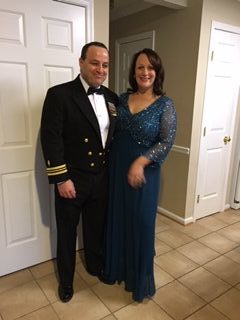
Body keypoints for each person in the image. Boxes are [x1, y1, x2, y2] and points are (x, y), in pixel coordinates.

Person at [40, 41, 118, 303]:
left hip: (101, 179)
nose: (100, 69)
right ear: (81, 62)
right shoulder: (59, 94)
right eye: (95, 63)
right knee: (67, 234)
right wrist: (61, 177)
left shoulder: (111, 98)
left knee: (95, 229)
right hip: (72, 180)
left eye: (105, 64)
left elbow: (111, 139)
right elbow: (51, 139)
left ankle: (94, 266)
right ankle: (66, 282)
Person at [104, 48, 177, 302]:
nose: (145, 72)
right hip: (117, 168)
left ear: (157, 72)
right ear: (133, 72)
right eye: (140, 67)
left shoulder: (165, 104)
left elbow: (167, 141)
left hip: (145, 172)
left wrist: (141, 162)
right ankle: (119, 269)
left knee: (143, 224)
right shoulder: (122, 99)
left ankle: (140, 280)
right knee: (120, 218)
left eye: (150, 67)